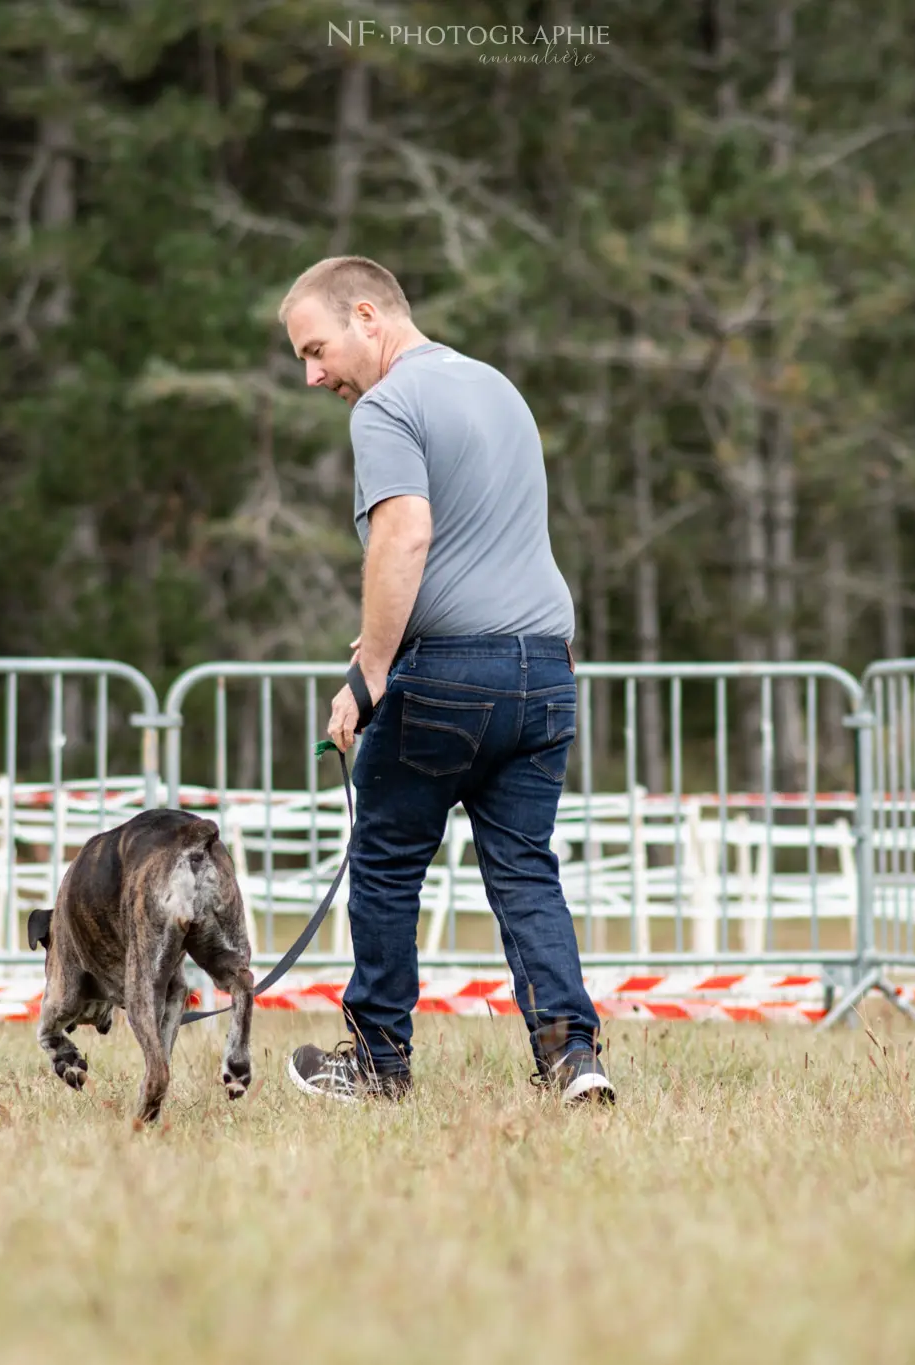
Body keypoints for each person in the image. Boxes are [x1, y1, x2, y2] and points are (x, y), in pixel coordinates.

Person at [275, 255, 614, 1106]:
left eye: (317, 350)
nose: (314, 375)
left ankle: (379, 1063)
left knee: (387, 863)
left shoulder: (388, 404)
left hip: (447, 676)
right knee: (526, 870)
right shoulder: (499, 387)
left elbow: (408, 535)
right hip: (544, 669)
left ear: (367, 316)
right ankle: (573, 1058)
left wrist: (370, 672)